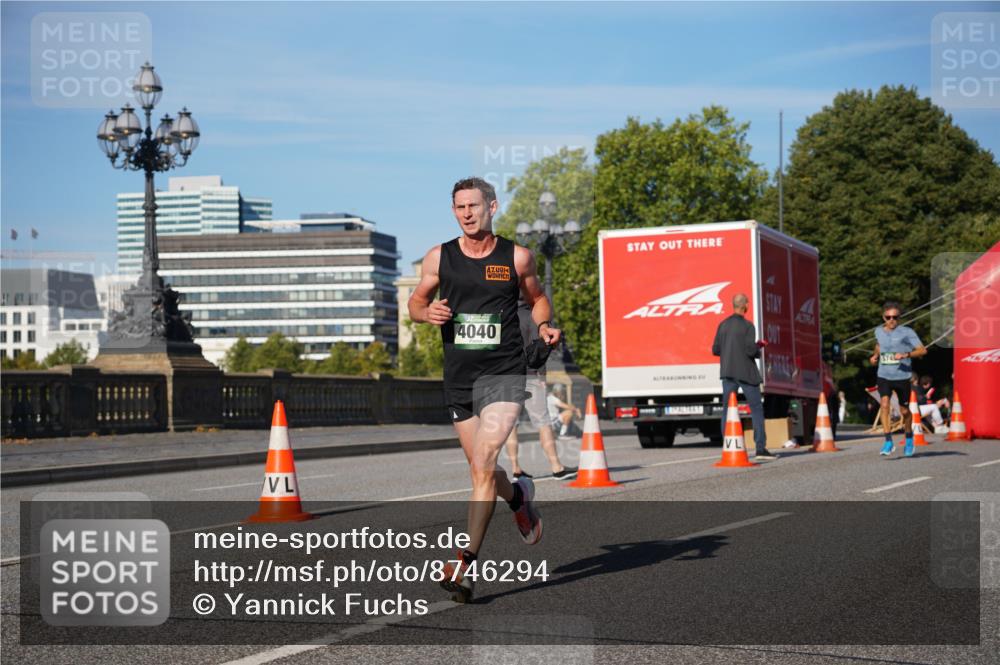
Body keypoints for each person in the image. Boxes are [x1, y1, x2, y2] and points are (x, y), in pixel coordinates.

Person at [408, 176, 560, 603]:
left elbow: (538, 300)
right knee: (483, 470)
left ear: (493, 207)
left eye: (474, 206)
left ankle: (464, 563)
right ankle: (519, 497)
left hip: (505, 372)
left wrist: (544, 325)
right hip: (459, 376)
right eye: (460, 208)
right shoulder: (440, 257)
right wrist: (427, 313)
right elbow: (416, 302)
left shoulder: (518, 257)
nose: (467, 214)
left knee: (483, 463)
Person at [504, 299, 577, 480]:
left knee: (511, 426)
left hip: (505, 376)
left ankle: (515, 469)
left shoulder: (503, 315)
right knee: (543, 423)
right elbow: (542, 347)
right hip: (530, 375)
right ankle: (557, 467)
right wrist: (542, 376)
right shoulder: (535, 317)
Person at [711, 293, 772, 459]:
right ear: (744, 305)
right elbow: (750, 351)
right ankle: (760, 448)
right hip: (746, 373)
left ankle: (728, 446)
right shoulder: (748, 326)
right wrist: (759, 347)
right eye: (748, 303)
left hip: (727, 373)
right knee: (756, 409)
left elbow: (715, 350)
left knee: (727, 410)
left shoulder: (722, 325)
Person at [869, 301, 927, 457]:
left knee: (904, 411)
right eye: (888, 317)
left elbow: (922, 350)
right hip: (884, 375)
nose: (891, 320)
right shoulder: (878, 331)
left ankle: (909, 438)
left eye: (894, 317)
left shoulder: (907, 332)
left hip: (902, 376)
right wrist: (875, 356)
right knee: (885, 403)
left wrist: (906, 354)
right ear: (883, 317)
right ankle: (888, 441)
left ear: (899, 317)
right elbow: (879, 346)